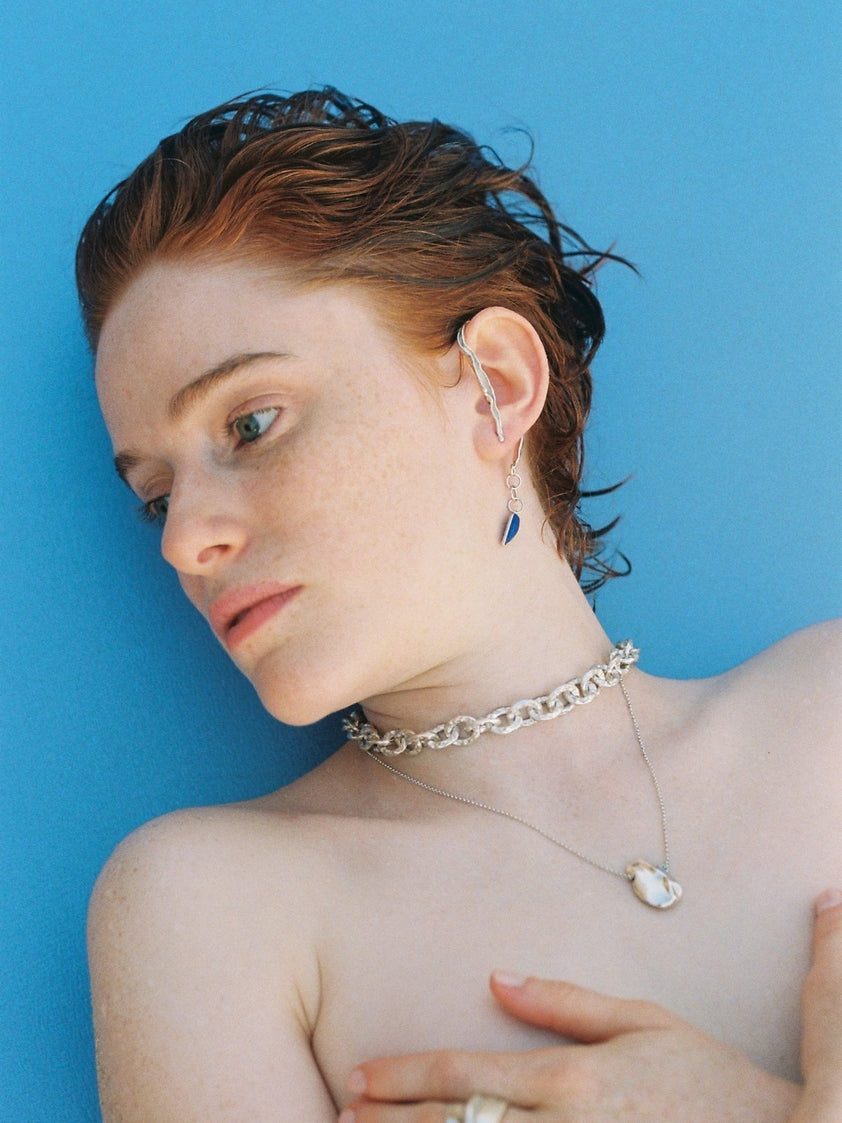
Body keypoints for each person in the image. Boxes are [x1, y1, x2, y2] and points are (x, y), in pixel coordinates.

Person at [77, 88, 840, 1121]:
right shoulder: (210, 907)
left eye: (251, 423)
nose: (182, 540)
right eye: (156, 496)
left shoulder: (827, 716)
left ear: (494, 383)